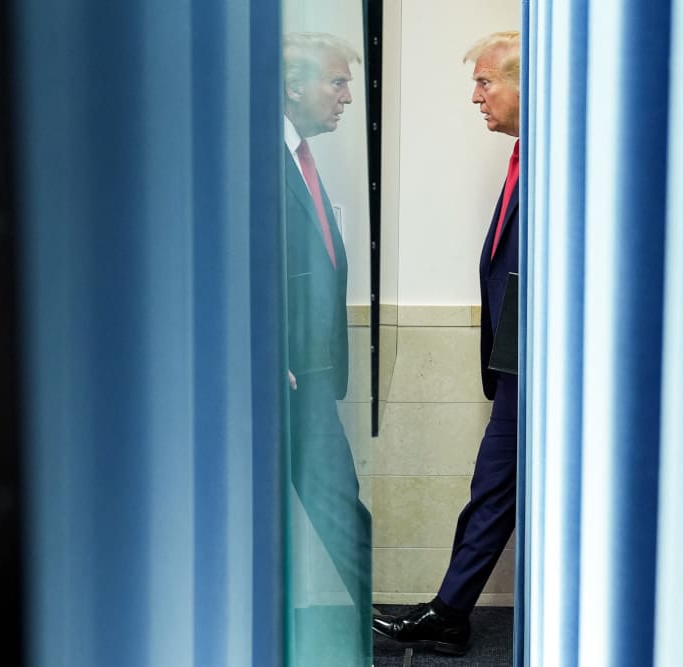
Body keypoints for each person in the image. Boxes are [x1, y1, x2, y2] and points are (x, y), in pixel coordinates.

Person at [372, 30, 522, 657]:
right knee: (492, 490)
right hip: (518, 366)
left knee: (494, 490)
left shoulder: (567, 163)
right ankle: (450, 613)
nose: (475, 97)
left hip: (542, 367)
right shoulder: (527, 159)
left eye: (485, 82)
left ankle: (450, 614)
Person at [283, 32, 372, 666]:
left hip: (309, 372)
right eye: (337, 82)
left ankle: (361, 637)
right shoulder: (256, 159)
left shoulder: (298, 157)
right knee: (337, 506)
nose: (347, 97)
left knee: (340, 505)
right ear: (294, 86)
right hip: (281, 374)